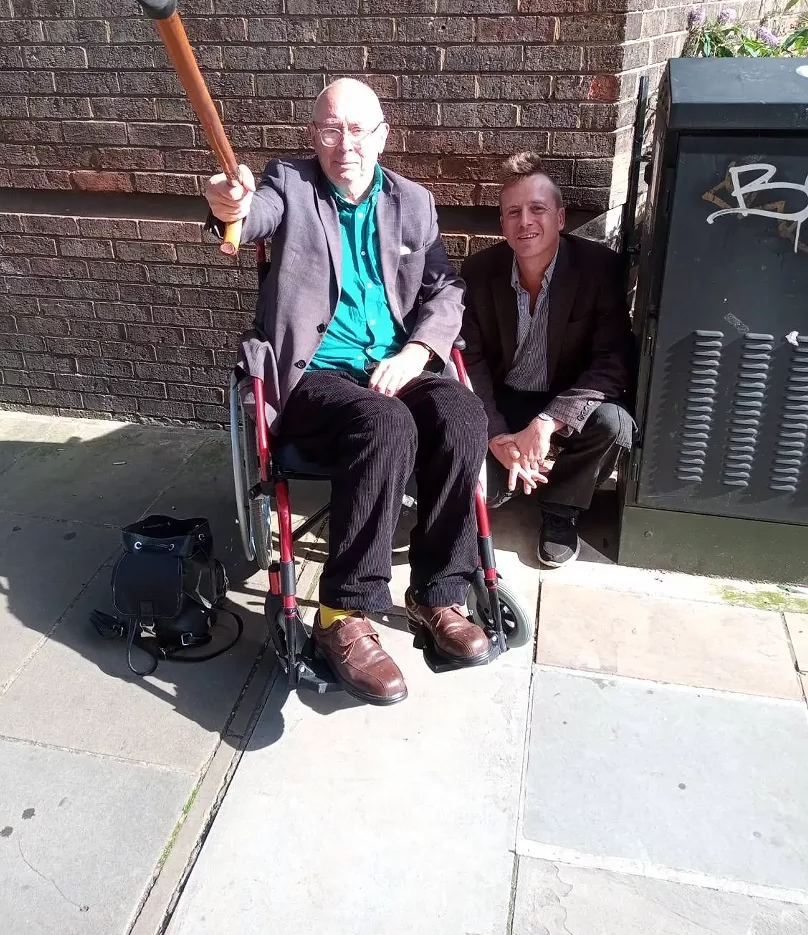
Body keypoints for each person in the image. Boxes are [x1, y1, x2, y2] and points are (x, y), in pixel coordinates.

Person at [205, 78, 491, 706]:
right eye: (331, 129)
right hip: (314, 381)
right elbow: (250, 216)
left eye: (358, 129)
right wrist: (229, 205)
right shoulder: (290, 185)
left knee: (463, 414)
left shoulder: (413, 202)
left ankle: (439, 592)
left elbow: (445, 291)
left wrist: (417, 353)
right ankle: (342, 618)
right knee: (384, 422)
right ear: (314, 136)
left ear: (382, 136)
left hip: (393, 366)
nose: (345, 144)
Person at [461, 152, 634, 569]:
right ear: (502, 224)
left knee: (614, 425)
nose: (526, 222)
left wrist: (549, 420)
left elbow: (614, 360)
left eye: (538, 209)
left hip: (565, 395)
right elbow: (472, 361)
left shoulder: (599, 269)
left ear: (560, 218)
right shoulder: (480, 270)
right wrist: (497, 436)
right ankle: (505, 477)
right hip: (504, 397)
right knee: (486, 488)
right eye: (513, 212)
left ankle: (560, 511)